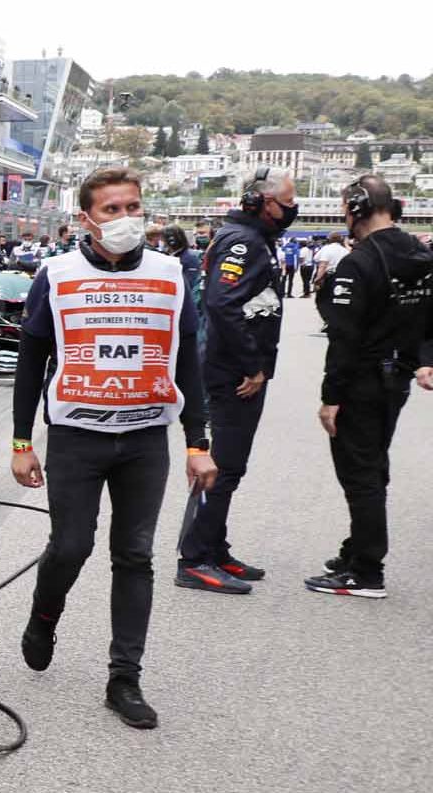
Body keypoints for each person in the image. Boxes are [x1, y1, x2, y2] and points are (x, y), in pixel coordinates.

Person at [10, 166, 216, 730]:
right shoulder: (56, 273)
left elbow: (187, 363)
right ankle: (44, 613)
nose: (126, 219)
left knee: (135, 556)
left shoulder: (172, 274)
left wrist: (198, 442)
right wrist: (22, 441)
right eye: (111, 210)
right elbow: (31, 365)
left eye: (133, 208)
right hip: (77, 437)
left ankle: (124, 678)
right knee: (71, 546)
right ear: (86, 218)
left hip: (146, 439)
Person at [310, 176, 433, 599]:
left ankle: (365, 571)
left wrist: (331, 397)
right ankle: (357, 550)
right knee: (373, 466)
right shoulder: (420, 253)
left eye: (346, 206)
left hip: (362, 381)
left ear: (357, 209)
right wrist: (424, 361)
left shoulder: (359, 262)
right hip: (395, 379)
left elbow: (343, 337)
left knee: (359, 474)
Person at [176, 170, 295, 595]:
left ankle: (214, 547)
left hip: (234, 366)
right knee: (222, 468)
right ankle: (194, 559)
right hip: (234, 371)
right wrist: (253, 364)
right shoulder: (244, 241)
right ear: (261, 202)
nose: (292, 210)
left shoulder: (250, 237)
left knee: (232, 467)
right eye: (286, 201)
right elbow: (222, 302)